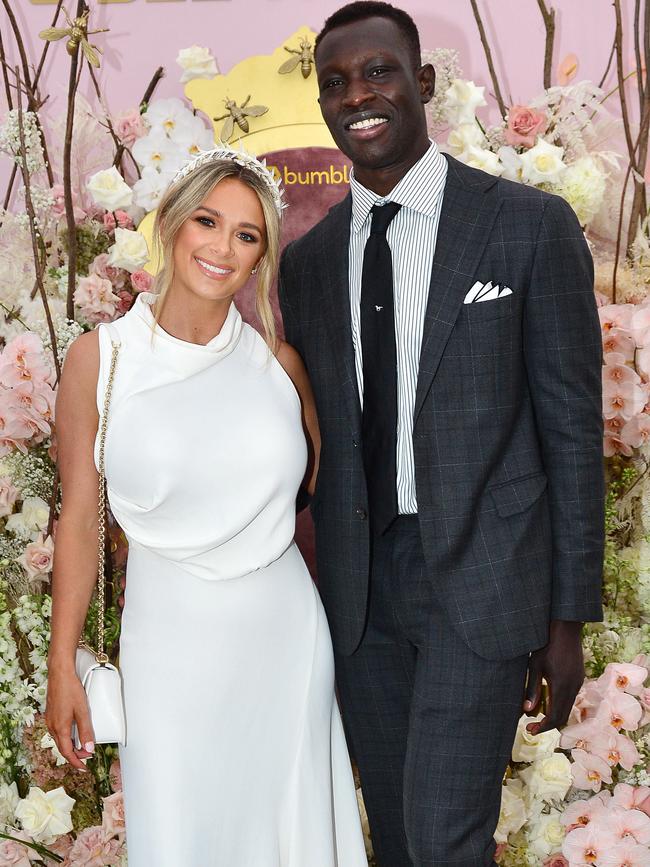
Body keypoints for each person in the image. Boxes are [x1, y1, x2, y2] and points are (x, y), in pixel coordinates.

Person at [278, 3, 605, 865]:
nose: (359, 96)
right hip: (357, 597)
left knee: (443, 834)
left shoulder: (528, 225)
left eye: (379, 71)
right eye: (336, 83)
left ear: (422, 83)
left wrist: (569, 616)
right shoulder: (306, 265)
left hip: (483, 586)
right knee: (394, 835)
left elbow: (573, 430)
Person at [45, 148, 368, 867]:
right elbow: (78, 517)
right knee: (185, 831)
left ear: (262, 256)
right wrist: (63, 660)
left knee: (291, 827)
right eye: (208, 221)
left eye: (247, 235)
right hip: (171, 643)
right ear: (170, 225)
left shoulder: (277, 364)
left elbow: (317, 480)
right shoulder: (101, 358)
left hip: (284, 639)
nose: (223, 247)